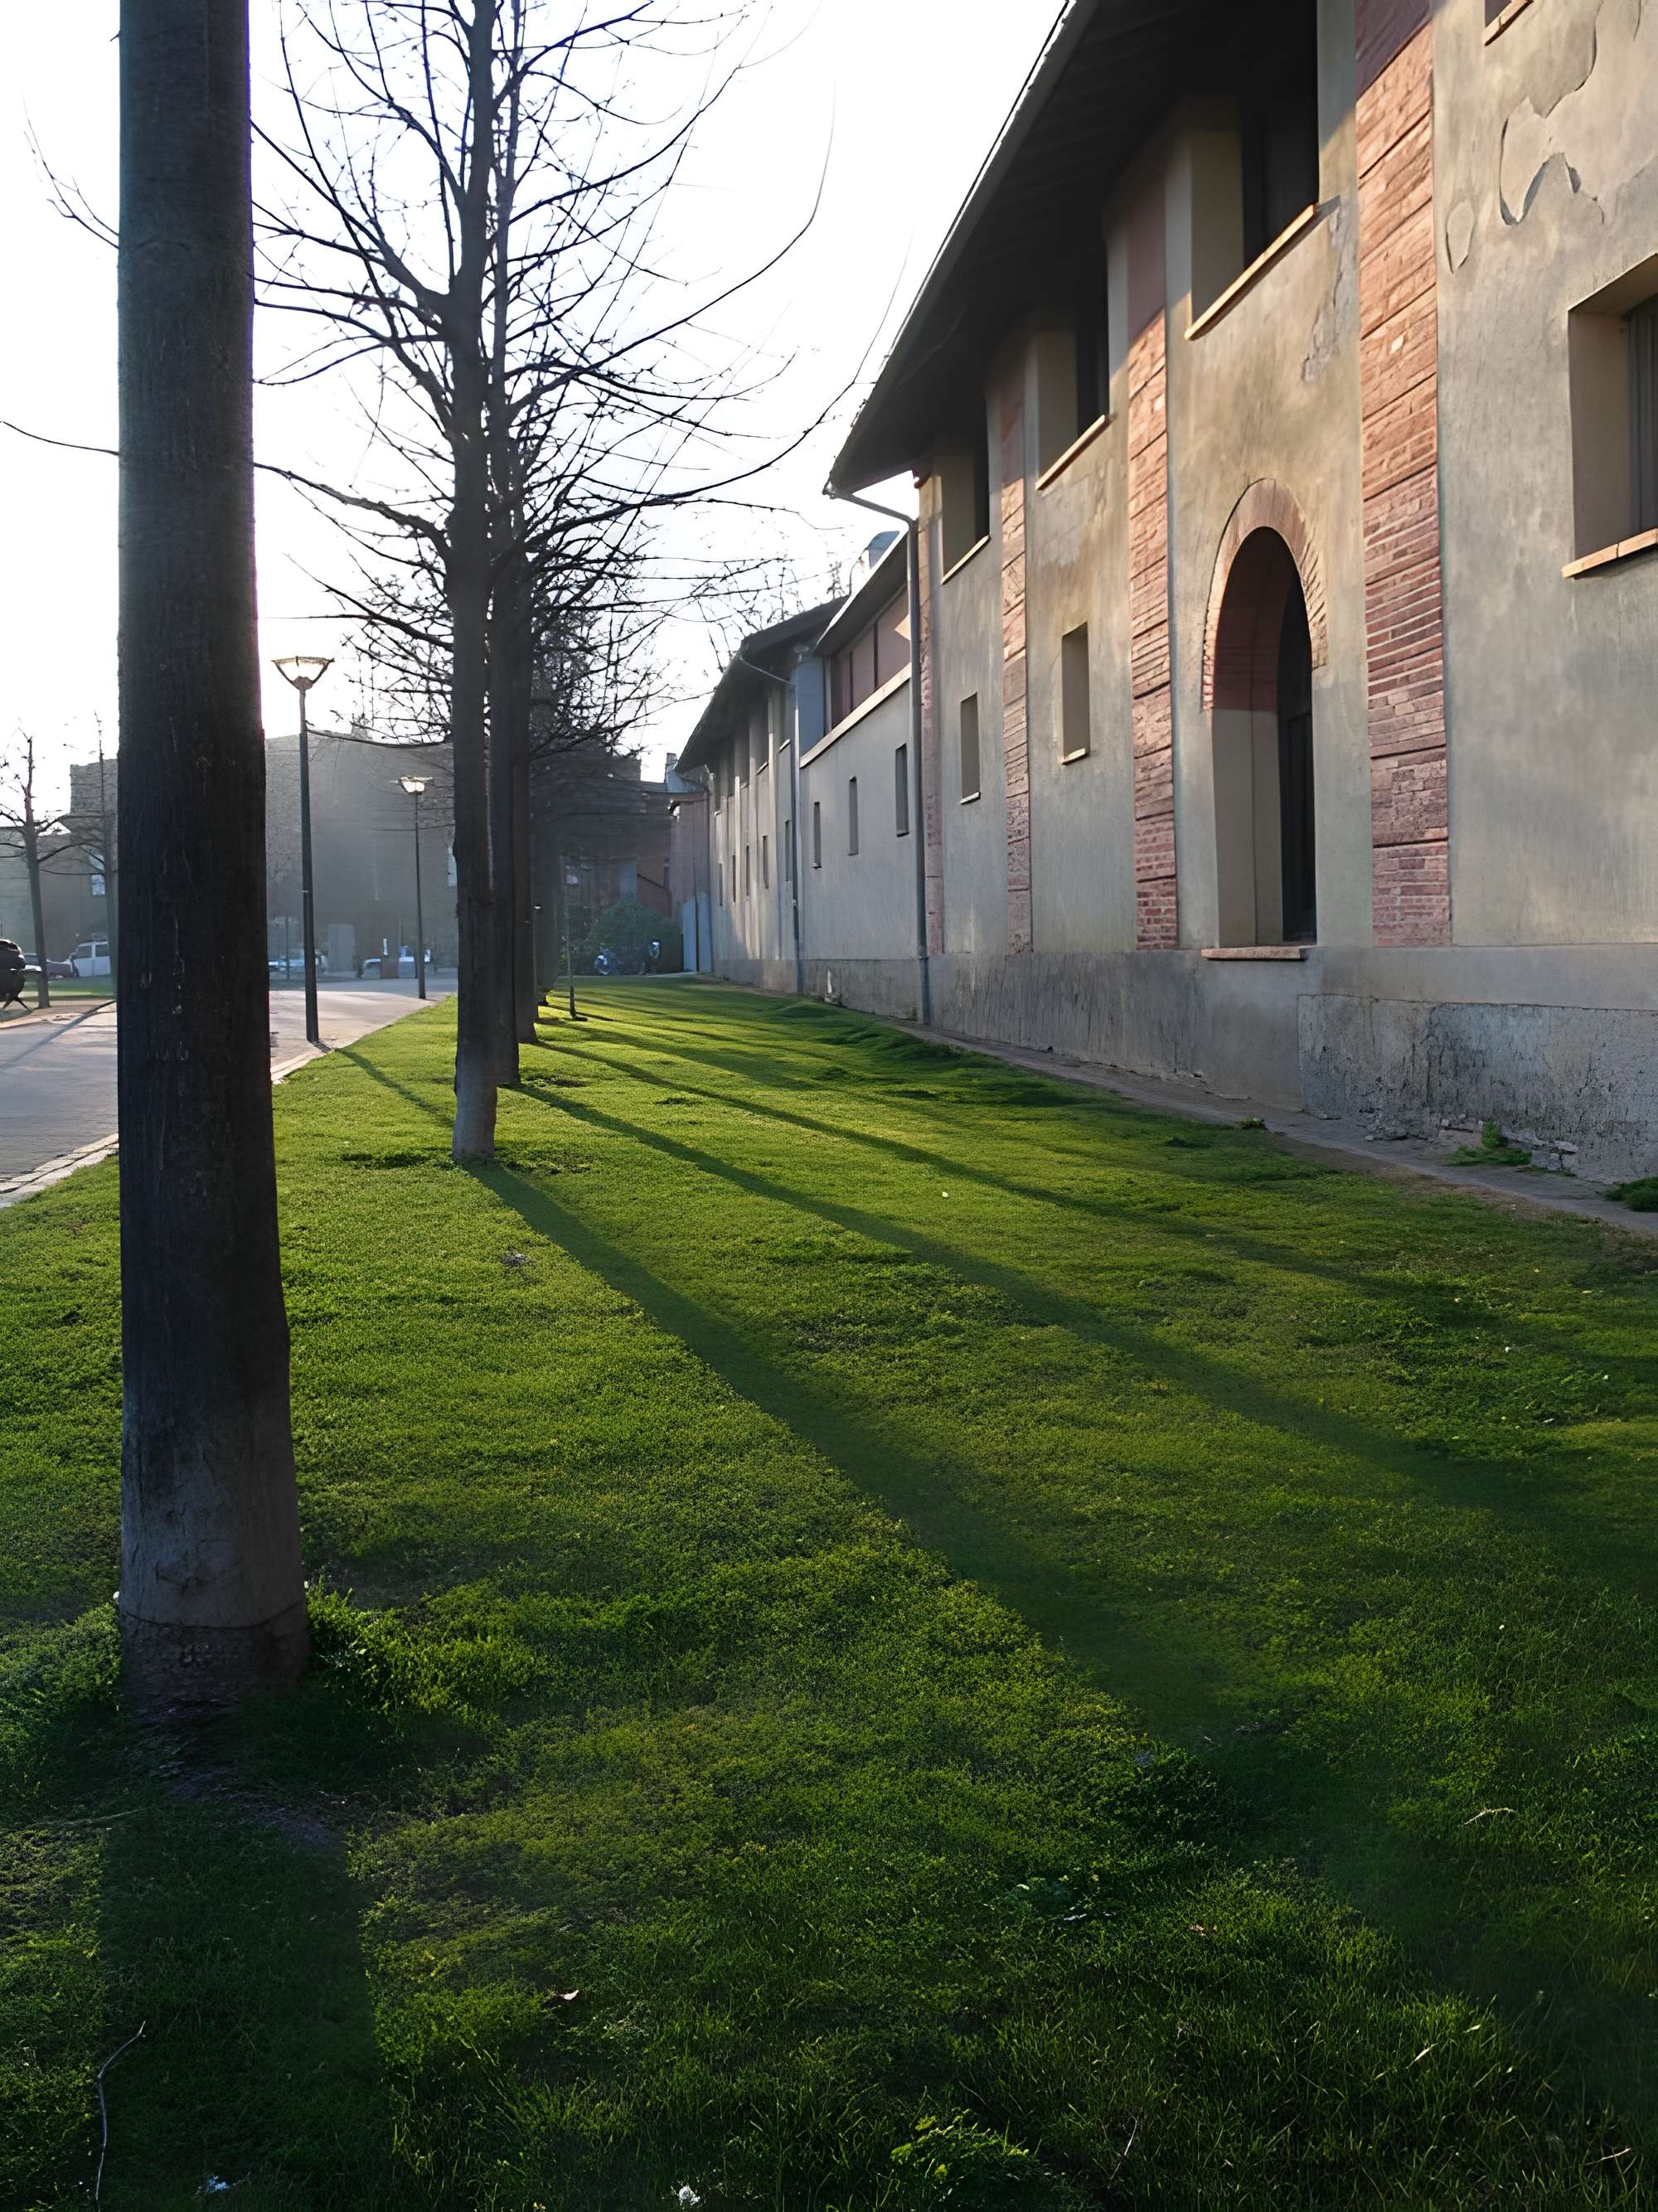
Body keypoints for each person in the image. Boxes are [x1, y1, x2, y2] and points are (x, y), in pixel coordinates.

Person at [0, 939, 27, 1010]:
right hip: (12, 986)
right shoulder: (17, 955)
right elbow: (22, 966)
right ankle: (4, 1007)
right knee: (20, 979)